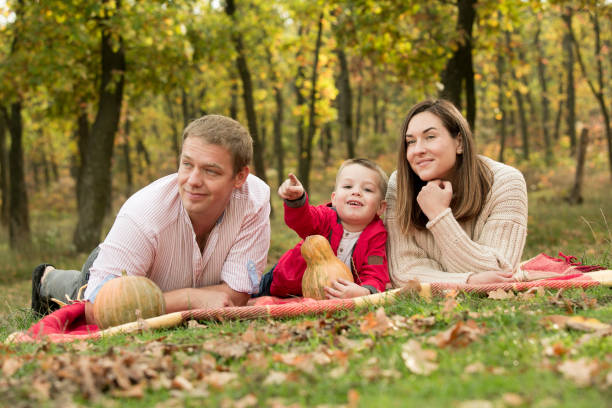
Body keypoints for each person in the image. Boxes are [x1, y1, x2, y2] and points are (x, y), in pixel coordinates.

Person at [32, 114, 271, 323]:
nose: (193, 180)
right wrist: (192, 298)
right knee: (80, 292)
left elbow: (237, 294)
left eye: (211, 171)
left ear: (240, 177)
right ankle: (48, 279)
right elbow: (99, 309)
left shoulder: (254, 200)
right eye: (187, 165)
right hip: (127, 269)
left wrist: (162, 303)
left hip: (155, 292)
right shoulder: (143, 215)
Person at [385, 99, 528, 286]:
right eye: (411, 141)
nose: (418, 149)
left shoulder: (505, 182)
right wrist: (468, 280)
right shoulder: (400, 184)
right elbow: (403, 271)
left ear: (459, 142)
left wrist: (439, 215)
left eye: (430, 137)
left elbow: (499, 272)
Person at [258, 158, 390, 299]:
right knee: (247, 295)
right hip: (283, 280)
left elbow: (375, 271)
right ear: (334, 198)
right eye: (347, 187)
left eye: (368, 189)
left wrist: (365, 291)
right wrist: (297, 200)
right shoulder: (325, 218)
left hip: (321, 295)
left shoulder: (376, 237)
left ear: (380, 207)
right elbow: (304, 220)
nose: (356, 192)